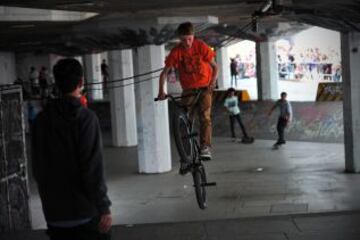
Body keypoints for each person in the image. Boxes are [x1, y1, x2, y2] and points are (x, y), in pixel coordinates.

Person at [31, 58, 112, 240]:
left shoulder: (41, 120)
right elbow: (92, 168)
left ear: (56, 84)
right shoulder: (86, 119)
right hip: (85, 214)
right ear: (81, 82)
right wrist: (103, 207)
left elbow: (37, 167)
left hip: (54, 215)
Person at [157, 22, 218, 161]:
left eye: (189, 39)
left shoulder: (201, 46)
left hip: (204, 87)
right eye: (184, 40)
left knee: (205, 117)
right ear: (179, 38)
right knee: (185, 116)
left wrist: (212, 82)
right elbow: (164, 73)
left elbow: (215, 67)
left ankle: (205, 147)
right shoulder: (176, 51)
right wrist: (161, 91)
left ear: (193, 36)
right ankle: (186, 147)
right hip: (188, 89)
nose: (187, 42)